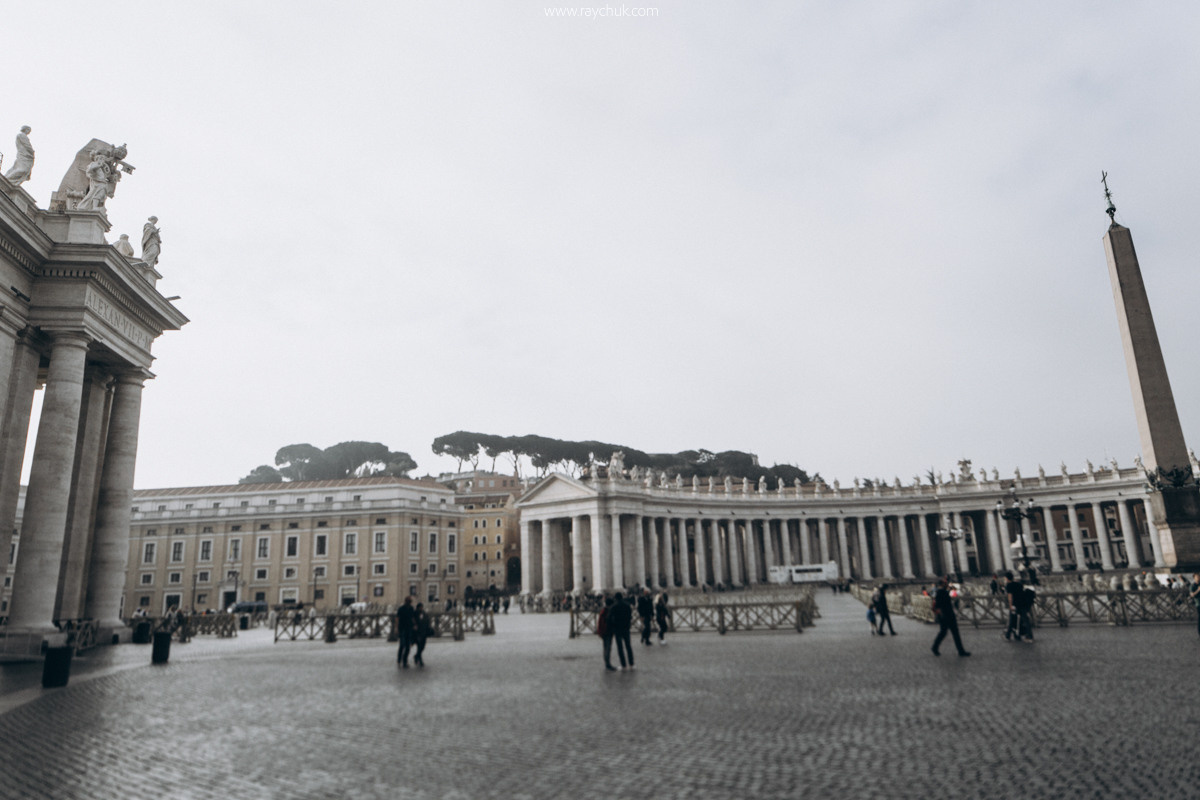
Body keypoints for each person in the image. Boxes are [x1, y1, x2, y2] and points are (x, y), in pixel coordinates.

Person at [931, 576, 970, 657]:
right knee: (953, 633)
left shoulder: (941, 592)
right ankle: (960, 651)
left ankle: (935, 647)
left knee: (944, 633)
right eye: (945, 583)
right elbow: (939, 604)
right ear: (942, 584)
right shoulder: (941, 592)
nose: (947, 584)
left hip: (946, 615)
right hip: (947, 615)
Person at [609, 591, 634, 669]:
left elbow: (609, 618)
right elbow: (630, 616)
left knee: (620, 647)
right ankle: (632, 663)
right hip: (626, 627)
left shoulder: (614, 606)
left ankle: (623, 664)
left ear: (616, 598)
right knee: (628, 646)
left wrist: (612, 626)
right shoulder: (627, 605)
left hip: (617, 628)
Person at [395, 596, 416, 668]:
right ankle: (399, 659)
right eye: (409, 601)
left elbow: (413, 617)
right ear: (406, 601)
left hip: (409, 629)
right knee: (402, 645)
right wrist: (396, 628)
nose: (409, 603)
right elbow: (397, 618)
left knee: (407, 646)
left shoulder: (411, 608)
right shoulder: (401, 609)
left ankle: (404, 660)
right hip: (402, 629)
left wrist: (414, 625)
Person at [598, 595, 616, 671]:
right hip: (607, 631)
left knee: (606, 647)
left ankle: (607, 662)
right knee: (608, 648)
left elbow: (599, 622)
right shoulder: (608, 611)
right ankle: (608, 664)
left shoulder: (603, 611)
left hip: (604, 631)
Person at [413, 602, 431, 666]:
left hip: (424, 632)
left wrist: (429, 627)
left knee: (422, 647)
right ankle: (420, 660)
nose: (421, 608)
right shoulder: (415, 614)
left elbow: (428, 620)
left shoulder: (425, 614)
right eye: (420, 607)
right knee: (419, 646)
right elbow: (413, 621)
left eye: (421, 607)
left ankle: (416, 656)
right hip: (417, 633)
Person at [1189, 573, 1200, 638]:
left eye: (1199, 576)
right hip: (1199, 604)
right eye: (1197, 577)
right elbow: (1192, 595)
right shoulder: (1192, 585)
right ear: (1194, 578)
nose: (1198, 578)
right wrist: (1198, 590)